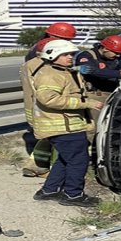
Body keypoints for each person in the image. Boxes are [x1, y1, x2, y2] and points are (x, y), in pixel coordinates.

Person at [30, 39, 105, 207]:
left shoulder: (63, 72)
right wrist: (86, 104)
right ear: (53, 55)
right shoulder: (50, 75)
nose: (70, 57)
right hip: (63, 127)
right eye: (65, 54)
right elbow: (49, 99)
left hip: (69, 125)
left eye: (71, 54)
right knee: (78, 160)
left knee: (66, 159)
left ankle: (49, 190)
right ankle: (73, 194)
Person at [18, 22, 78, 176]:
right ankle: (53, 170)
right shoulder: (45, 56)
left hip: (34, 103)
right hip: (44, 103)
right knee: (57, 136)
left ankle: (37, 165)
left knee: (48, 136)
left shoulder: (37, 50)